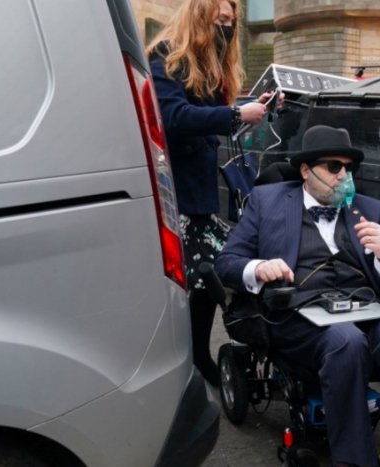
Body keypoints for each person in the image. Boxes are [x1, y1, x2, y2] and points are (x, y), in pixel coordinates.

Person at [216, 125, 380, 467]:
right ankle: (356, 460)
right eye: (334, 166)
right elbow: (226, 262)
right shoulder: (268, 202)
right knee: (346, 342)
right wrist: (259, 267)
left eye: (348, 168)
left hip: (361, 306)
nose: (344, 175)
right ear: (305, 171)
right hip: (298, 314)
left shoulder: (368, 209)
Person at [146, 0, 274, 387]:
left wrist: (255, 109)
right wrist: (236, 114)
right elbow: (174, 117)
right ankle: (186, 358)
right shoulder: (166, 57)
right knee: (190, 286)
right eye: (220, 21)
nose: (227, 29)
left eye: (231, 24)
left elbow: (212, 122)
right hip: (176, 194)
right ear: (199, 19)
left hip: (203, 193)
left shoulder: (212, 66)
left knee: (204, 284)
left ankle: (196, 354)